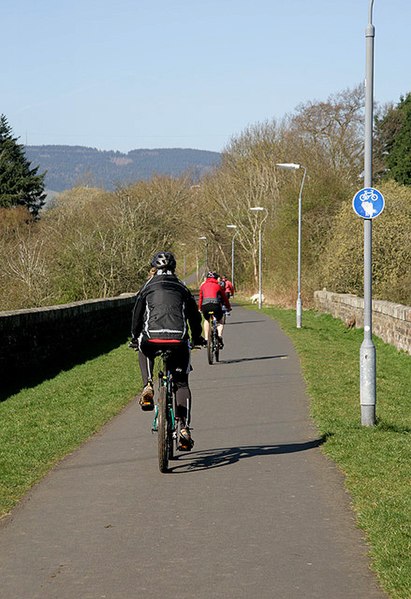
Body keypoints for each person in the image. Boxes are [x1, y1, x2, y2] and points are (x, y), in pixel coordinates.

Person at [130, 251, 205, 451]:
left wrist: (134, 336)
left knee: (144, 349)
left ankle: (147, 385)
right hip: (178, 339)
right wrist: (197, 337)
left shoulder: (147, 287)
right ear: (174, 268)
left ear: (153, 269)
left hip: (152, 338)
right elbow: (194, 316)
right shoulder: (182, 287)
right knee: (181, 383)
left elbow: (137, 314)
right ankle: (184, 428)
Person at [198, 271, 231, 349]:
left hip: (205, 306)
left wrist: (199, 308)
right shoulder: (218, 286)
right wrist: (228, 307)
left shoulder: (203, 286)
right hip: (216, 306)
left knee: (206, 320)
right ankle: (219, 336)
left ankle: (206, 339)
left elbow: (200, 298)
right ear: (216, 278)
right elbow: (224, 298)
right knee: (220, 320)